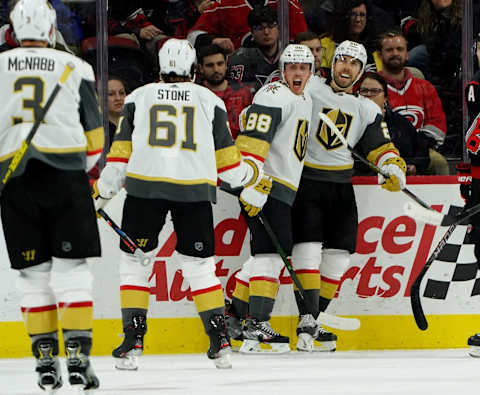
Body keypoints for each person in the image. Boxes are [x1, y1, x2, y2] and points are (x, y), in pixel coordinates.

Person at [92, 38, 268, 370]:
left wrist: (102, 193)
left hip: (145, 192)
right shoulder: (210, 100)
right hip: (194, 193)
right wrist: (254, 173)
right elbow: (230, 168)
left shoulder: (138, 98)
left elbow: (119, 158)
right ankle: (220, 343)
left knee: (133, 263)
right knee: (199, 267)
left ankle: (133, 342)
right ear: (193, 68)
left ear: (160, 66)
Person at [0, 0, 104, 392]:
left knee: (32, 275)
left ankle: (45, 363)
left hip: (15, 177)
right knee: (73, 272)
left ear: (13, 28)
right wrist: (85, 167)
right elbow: (95, 137)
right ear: (50, 28)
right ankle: (78, 357)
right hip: (65, 175)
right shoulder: (76, 67)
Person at [291, 40, 406, 352]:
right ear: (333, 61)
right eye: (343, 60)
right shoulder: (309, 88)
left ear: (361, 70)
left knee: (338, 258)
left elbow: (381, 147)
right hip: (306, 182)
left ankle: (315, 319)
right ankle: (307, 320)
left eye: (355, 64)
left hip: (341, 187)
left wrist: (392, 166)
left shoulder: (365, 108)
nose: (347, 68)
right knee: (308, 252)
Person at [226, 44, 314, 353]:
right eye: (292, 67)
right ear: (282, 69)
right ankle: (255, 325)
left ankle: (235, 316)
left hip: (280, 187)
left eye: (303, 68)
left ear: (311, 72)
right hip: (266, 185)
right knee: (271, 256)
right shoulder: (273, 95)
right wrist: (253, 182)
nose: (297, 72)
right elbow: (254, 141)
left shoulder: (303, 97)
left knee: (264, 254)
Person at [377, 30, 449, 175]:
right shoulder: (372, 86)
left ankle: (441, 198)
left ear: (407, 54)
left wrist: (417, 154)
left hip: (420, 150)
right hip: (383, 148)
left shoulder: (425, 87)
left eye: (400, 49)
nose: (395, 53)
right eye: (389, 50)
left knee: (439, 163)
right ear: (379, 55)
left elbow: (437, 126)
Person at [358, 72, 430, 175]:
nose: (369, 95)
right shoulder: (351, 121)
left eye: (375, 91)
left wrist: (414, 165)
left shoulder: (401, 123)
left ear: (385, 97)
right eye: (364, 91)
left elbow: (421, 151)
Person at [187, 0, 307, 53]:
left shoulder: (287, 4)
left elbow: (304, 43)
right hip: (237, 76)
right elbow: (191, 37)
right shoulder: (224, 5)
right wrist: (213, 40)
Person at [197, 44, 253, 139]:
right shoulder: (195, 94)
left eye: (220, 64)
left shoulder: (243, 92)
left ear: (226, 64)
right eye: (210, 65)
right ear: (200, 68)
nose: (216, 69)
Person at [227, 6, 281, 92]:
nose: (266, 32)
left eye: (271, 26)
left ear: (278, 28)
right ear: (252, 32)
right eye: (260, 28)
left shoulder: (290, 54)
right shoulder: (239, 60)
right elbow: (235, 93)